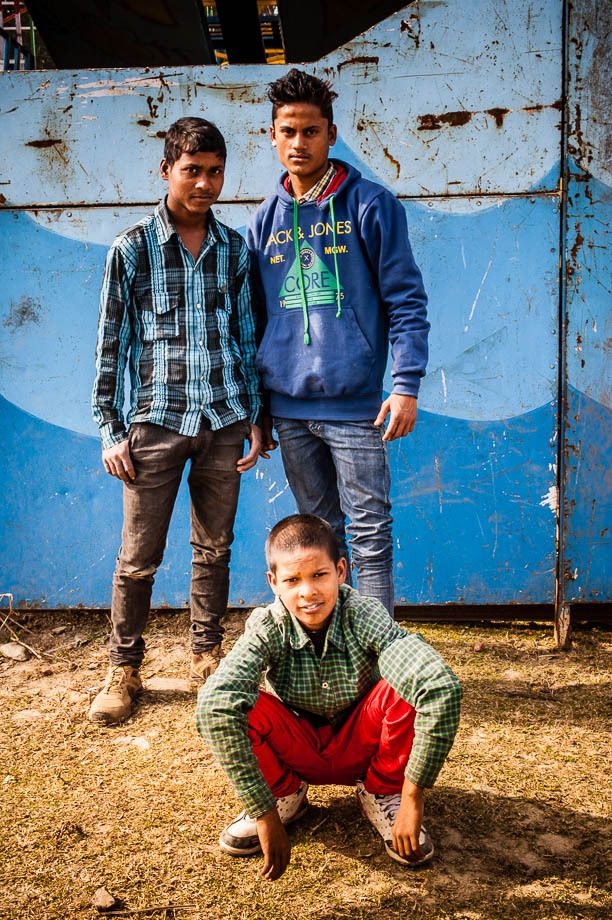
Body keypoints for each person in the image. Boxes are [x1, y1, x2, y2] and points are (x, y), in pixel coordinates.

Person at [89, 117, 264, 724]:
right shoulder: (132, 248)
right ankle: (124, 667)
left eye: (215, 171)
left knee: (214, 549)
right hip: (155, 424)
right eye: (192, 170)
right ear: (165, 170)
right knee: (138, 555)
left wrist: (255, 416)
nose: (205, 183)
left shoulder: (236, 249)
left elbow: (246, 338)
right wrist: (111, 430)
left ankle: (205, 659)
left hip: (223, 421)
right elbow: (110, 346)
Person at [247, 69, 430, 617]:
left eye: (310, 131)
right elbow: (255, 319)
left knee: (370, 534)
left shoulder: (371, 206)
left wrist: (405, 385)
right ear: (272, 136)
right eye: (287, 132)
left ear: (331, 133)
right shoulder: (264, 221)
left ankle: (378, 657)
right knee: (321, 541)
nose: (298, 143)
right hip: (289, 411)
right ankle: (333, 651)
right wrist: (260, 409)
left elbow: (406, 301)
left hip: (357, 407)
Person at [197, 514, 461, 881]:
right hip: (299, 745)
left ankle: (384, 793)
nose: (307, 592)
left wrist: (414, 796)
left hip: (363, 744)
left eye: (319, 575)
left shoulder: (364, 614)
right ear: (274, 583)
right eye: (292, 580)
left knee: (405, 688)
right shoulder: (266, 626)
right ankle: (284, 795)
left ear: (340, 571)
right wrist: (263, 812)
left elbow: (439, 687)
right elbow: (214, 705)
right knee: (236, 703)